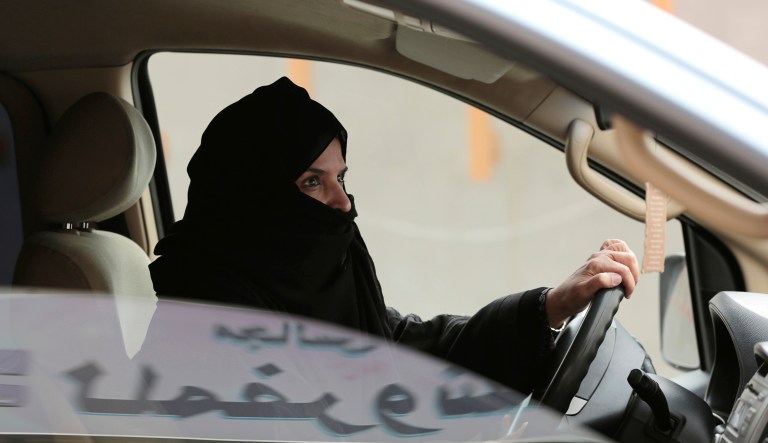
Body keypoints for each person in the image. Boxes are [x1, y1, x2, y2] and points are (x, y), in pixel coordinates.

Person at [149, 77, 639, 394]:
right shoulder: (201, 327)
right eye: (312, 182)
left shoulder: (316, 294)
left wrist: (547, 308)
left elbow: (408, 348)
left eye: (341, 178)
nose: (342, 204)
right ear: (253, 198)